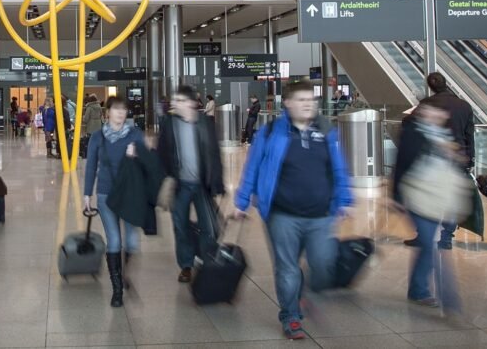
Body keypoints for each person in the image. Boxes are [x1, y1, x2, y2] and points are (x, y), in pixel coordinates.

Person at [234, 80, 354, 340]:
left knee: (323, 263)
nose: (308, 103)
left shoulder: (326, 131)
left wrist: (344, 199)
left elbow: (338, 168)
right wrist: (242, 202)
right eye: (301, 99)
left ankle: (304, 294)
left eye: (310, 99)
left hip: (321, 214)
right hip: (282, 214)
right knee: (287, 268)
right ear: (287, 103)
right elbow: (252, 167)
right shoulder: (270, 133)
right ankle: (291, 316)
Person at [393, 103, 465, 311]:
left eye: (439, 110)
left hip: (439, 198)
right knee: (428, 244)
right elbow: (401, 163)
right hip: (416, 197)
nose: (437, 114)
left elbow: (456, 164)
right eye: (431, 110)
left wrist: (455, 156)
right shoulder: (412, 133)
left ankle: (418, 289)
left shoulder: (445, 136)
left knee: (430, 246)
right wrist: (395, 196)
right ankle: (435, 295)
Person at [156, 85, 225, 284]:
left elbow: (214, 154)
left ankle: (205, 259)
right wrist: (165, 178)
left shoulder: (205, 123)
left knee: (209, 227)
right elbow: (161, 154)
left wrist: (217, 183)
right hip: (180, 185)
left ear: (191, 103)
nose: (175, 104)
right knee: (180, 226)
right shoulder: (168, 124)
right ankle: (186, 265)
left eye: (179, 101)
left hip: (202, 185)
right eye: (174, 101)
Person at [83, 96, 147, 308]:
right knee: (115, 241)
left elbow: (149, 162)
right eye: (116, 109)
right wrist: (86, 195)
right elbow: (91, 166)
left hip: (129, 194)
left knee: (131, 242)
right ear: (107, 112)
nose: (120, 113)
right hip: (105, 194)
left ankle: (123, 271)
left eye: (124, 109)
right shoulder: (97, 137)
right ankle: (117, 288)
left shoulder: (135, 135)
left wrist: (138, 155)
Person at [405, 73, 475, 250]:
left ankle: (424, 235)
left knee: (425, 196)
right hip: (457, 157)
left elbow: (413, 127)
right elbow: (469, 135)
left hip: (432, 159)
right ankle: (446, 238)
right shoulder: (464, 106)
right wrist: (470, 158)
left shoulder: (428, 104)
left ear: (430, 86)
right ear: (447, 83)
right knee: (450, 197)